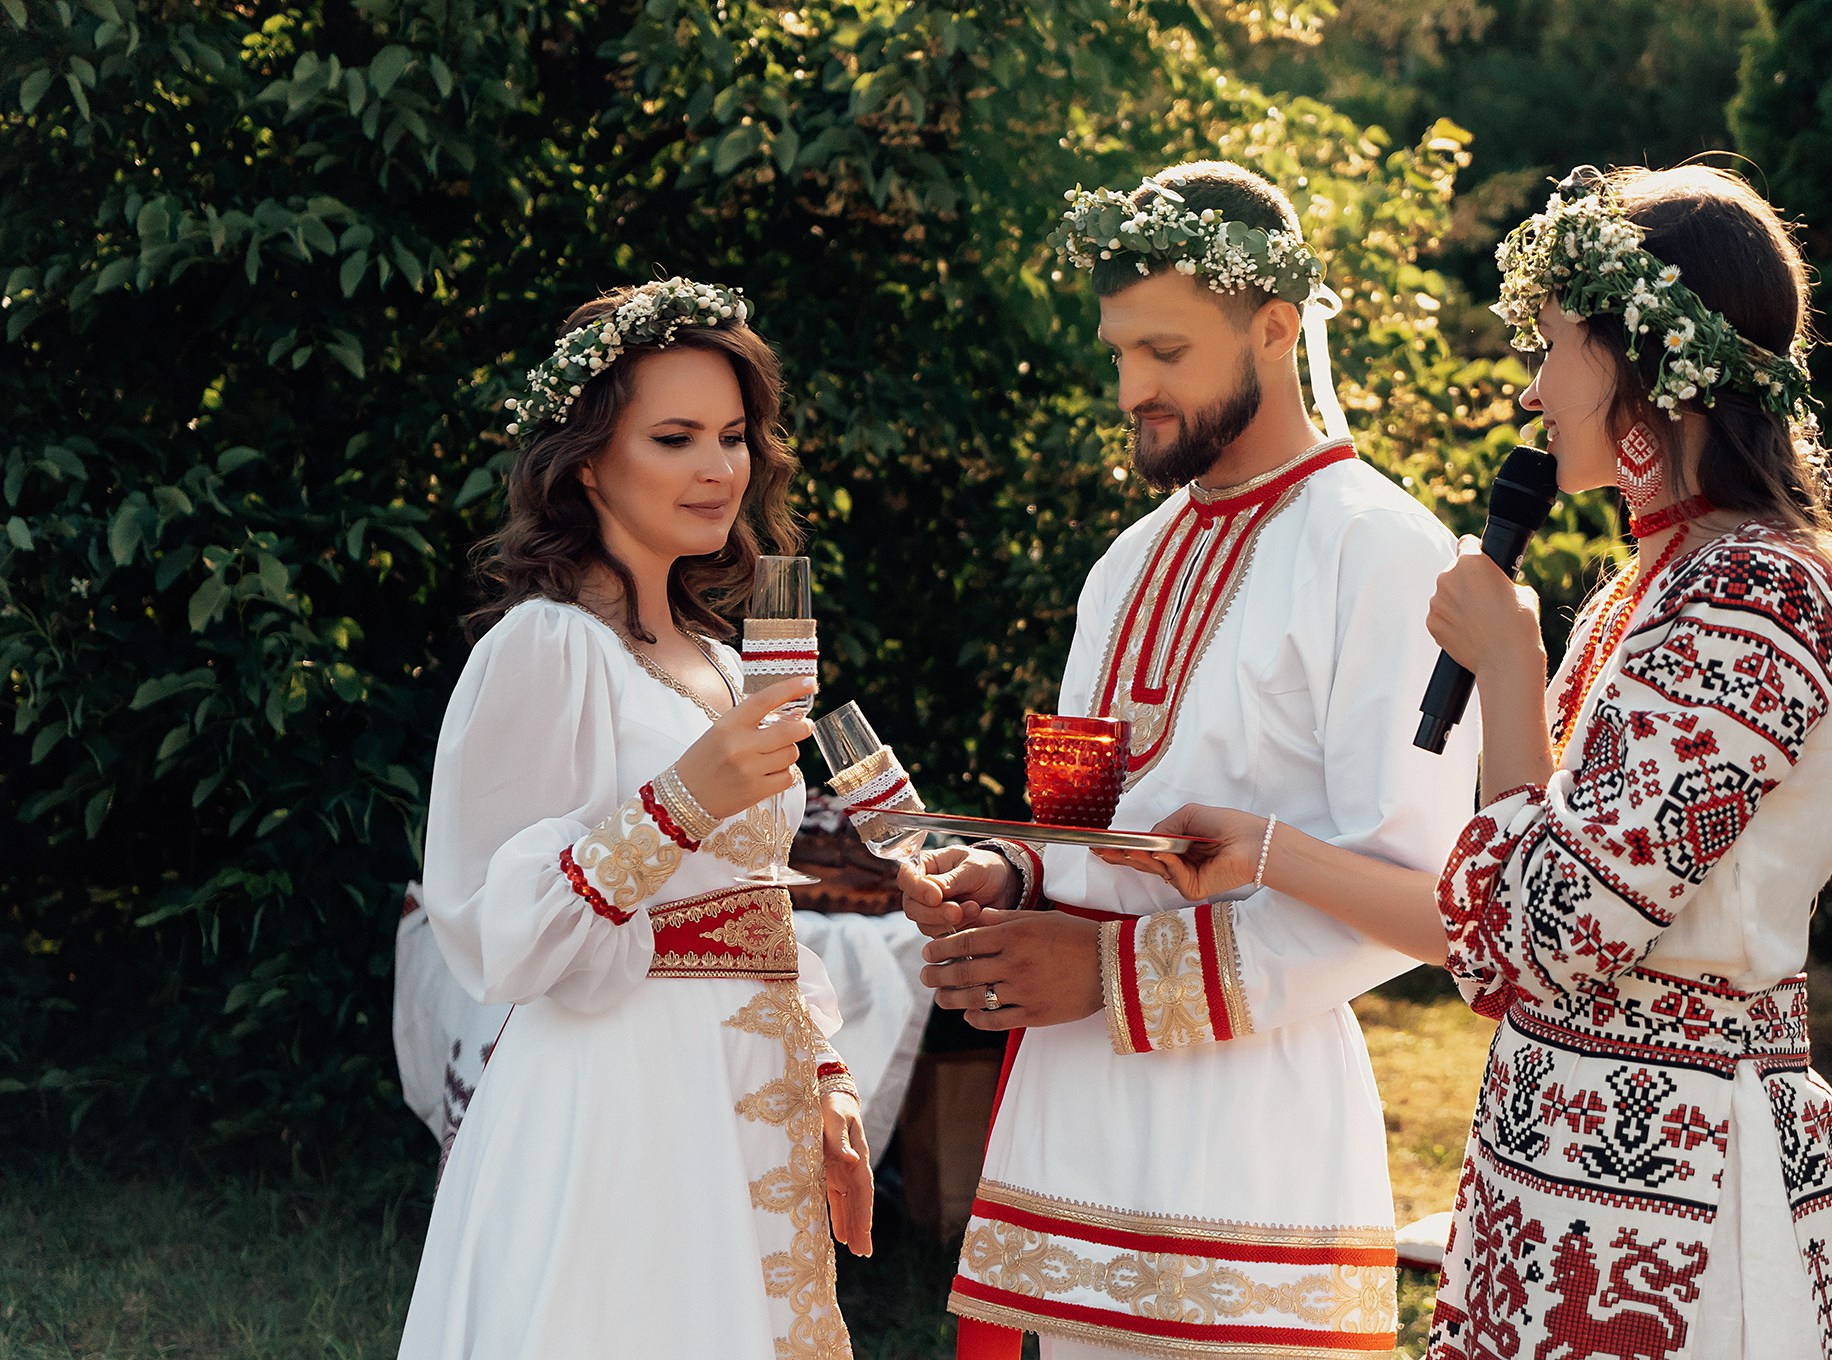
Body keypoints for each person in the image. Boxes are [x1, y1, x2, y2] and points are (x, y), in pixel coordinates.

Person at [1117, 165, 1832, 1360]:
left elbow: (1537, 934)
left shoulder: (1754, 595)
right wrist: (1271, 850)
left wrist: (1504, 673)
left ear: (1642, 355)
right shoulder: (1645, 595)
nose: (1534, 389)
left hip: (1682, 1219)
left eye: (1553, 349)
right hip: (1553, 1191)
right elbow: (1491, 907)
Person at [898, 161, 1479, 1359]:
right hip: (1071, 1133)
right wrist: (1007, 883)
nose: (1131, 388)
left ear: (1276, 326)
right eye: (1119, 351)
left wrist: (1114, 976)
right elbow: (1088, 819)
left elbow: (1414, 893)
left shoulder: (1379, 549)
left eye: (1164, 349)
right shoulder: (1126, 562)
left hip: (1247, 1146)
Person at [398, 277, 872, 1360]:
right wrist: (682, 799)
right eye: (675, 437)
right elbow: (494, 923)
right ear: (588, 457)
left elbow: (755, 895)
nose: (718, 468)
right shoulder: (544, 648)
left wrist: (825, 1070)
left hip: (743, 1079)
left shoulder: (718, 659)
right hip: (619, 1089)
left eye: (734, 435)